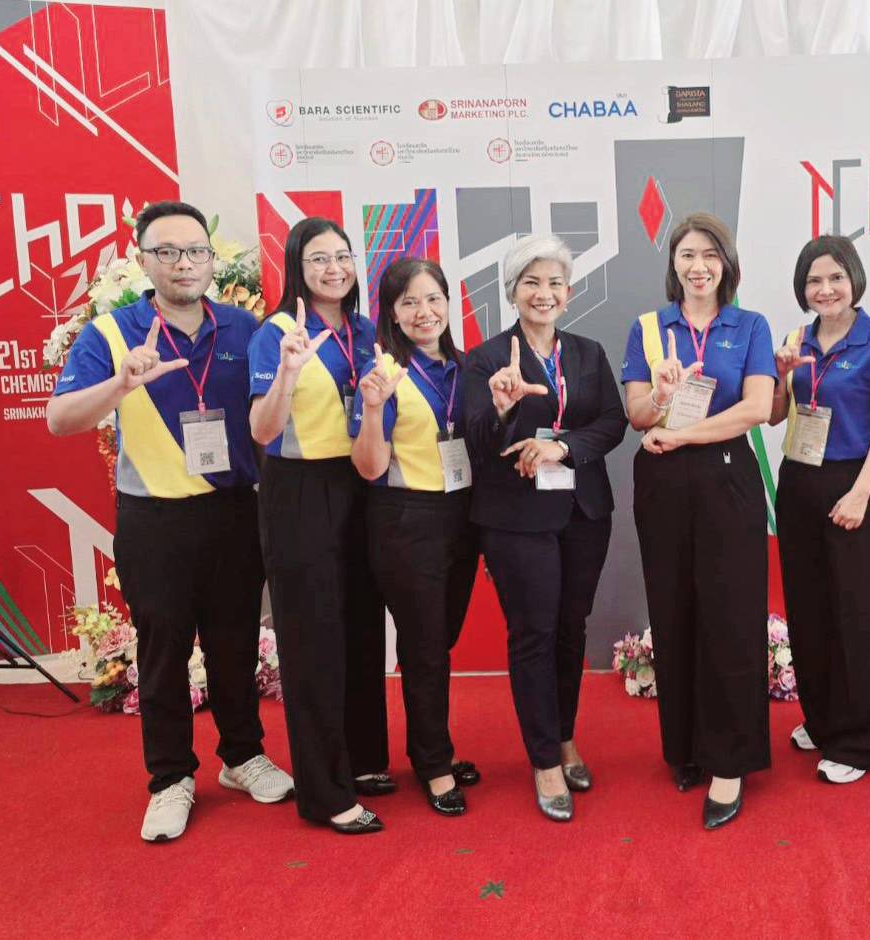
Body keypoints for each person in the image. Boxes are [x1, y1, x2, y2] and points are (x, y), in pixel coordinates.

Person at [46, 200, 293, 842]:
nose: (184, 263)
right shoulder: (111, 333)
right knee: (163, 653)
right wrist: (121, 386)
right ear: (143, 260)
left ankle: (242, 756)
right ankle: (170, 778)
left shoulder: (246, 327)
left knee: (235, 644)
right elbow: (60, 419)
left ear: (212, 259)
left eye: (195, 251)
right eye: (167, 252)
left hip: (234, 512)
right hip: (154, 520)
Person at [462, 235, 626, 823]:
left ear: (569, 293)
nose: (544, 293)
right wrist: (503, 408)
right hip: (516, 520)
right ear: (512, 292)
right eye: (531, 282)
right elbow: (475, 441)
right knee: (533, 633)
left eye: (555, 282)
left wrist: (563, 447)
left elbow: (612, 422)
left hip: (583, 511)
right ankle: (543, 760)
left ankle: (563, 736)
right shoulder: (486, 359)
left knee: (570, 628)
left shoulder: (587, 353)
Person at [622, 212, 776, 830]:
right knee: (674, 610)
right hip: (662, 482)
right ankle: (685, 747)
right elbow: (637, 414)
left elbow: (757, 408)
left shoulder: (750, 325)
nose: (698, 266)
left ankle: (730, 761)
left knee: (732, 617)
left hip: (727, 477)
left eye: (710, 254)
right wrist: (662, 397)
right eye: (687, 254)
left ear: (726, 264)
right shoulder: (648, 328)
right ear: (673, 264)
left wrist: (684, 435)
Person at [248, 217, 385, 834]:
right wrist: (287, 372)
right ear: (296, 269)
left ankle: (361, 761)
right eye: (319, 259)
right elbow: (262, 430)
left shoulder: (366, 331)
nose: (334, 269)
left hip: (362, 483)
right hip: (300, 491)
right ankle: (325, 792)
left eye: (343, 256)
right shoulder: (277, 334)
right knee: (314, 642)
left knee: (360, 630)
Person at [769, 235, 870, 785]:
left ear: (854, 280)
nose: (825, 289)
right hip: (799, 480)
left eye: (835, 278)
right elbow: (776, 416)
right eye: (814, 281)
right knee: (810, 607)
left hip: (856, 482)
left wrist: (861, 493)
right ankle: (823, 716)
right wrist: (782, 375)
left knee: (862, 614)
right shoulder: (797, 338)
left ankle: (863, 738)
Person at [350, 257, 480, 817]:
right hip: (407, 518)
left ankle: (432, 744)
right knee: (425, 645)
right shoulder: (384, 373)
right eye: (409, 303)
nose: (424, 312)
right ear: (392, 314)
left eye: (433, 299)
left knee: (439, 639)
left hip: (463, 515)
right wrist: (373, 407)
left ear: (448, 304)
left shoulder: (467, 367)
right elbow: (369, 466)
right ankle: (433, 763)